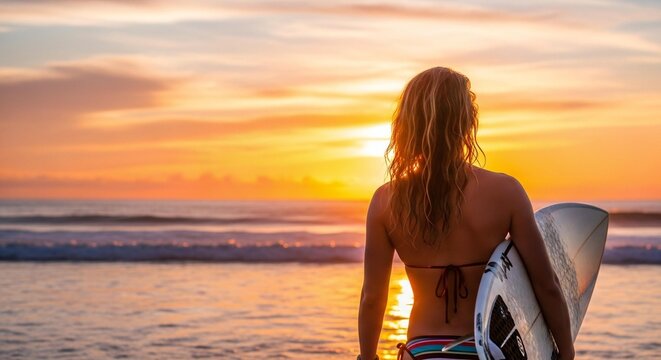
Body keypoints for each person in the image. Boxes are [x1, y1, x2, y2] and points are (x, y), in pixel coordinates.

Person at [357, 67, 575, 360]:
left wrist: (367, 357)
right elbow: (545, 285)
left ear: (407, 126)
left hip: (421, 350)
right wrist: (566, 351)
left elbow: (373, 298)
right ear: (467, 121)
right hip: (485, 350)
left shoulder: (385, 201)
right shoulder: (506, 191)